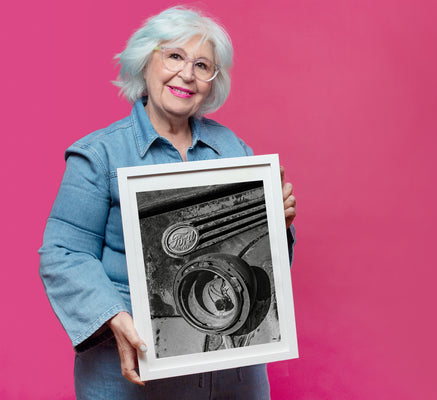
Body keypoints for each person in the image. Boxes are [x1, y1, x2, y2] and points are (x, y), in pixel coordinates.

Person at [38, 6, 296, 399]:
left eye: (202, 65)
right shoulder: (99, 155)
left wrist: (277, 226)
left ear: (213, 81)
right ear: (145, 62)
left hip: (231, 376)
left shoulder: (235, 151)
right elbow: (63, 252)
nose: (187, 74)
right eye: (174, 56)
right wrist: (112, 315)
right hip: (131, 369)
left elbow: (265, 269)